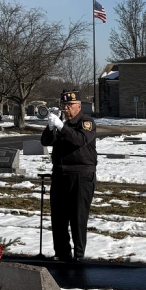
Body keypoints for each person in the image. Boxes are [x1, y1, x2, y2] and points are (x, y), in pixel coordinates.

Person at [41, 90, 98, 262]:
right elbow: (46, 141)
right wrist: (51, 127)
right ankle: (62, 253)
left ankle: (79, 256)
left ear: (78, 106)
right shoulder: (62, 123)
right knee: (58, 216)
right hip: (60, 174)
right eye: (64, 105)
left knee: (78, 217)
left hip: (81, 175)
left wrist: (61, 126)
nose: (66, 108)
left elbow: (80, 140)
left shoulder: (86, 122)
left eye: (70, 105)